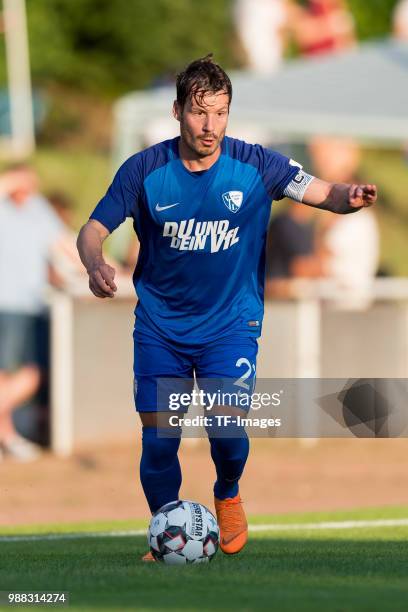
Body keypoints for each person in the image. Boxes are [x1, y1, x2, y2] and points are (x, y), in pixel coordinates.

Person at [76, 55, 377, 560]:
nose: (210, 125)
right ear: (177, 112)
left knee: (227, 428)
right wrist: (93, 263)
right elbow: (93, 230)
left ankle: (228, 489)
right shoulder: (145, 170)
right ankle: (167, 531)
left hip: (230, 325)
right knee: (158, 442)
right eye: (199, 113)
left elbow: (323, 192)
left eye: (220, 112)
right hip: (160, 329)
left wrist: (351, 195)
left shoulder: (258, 165)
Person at [0, 165, 64, 460]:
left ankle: (9, 437)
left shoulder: (39, 210)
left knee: (32, 372)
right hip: (6, 305)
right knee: (7, 373)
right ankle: (9, 437)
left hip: (32, 305)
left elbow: (63, 243)